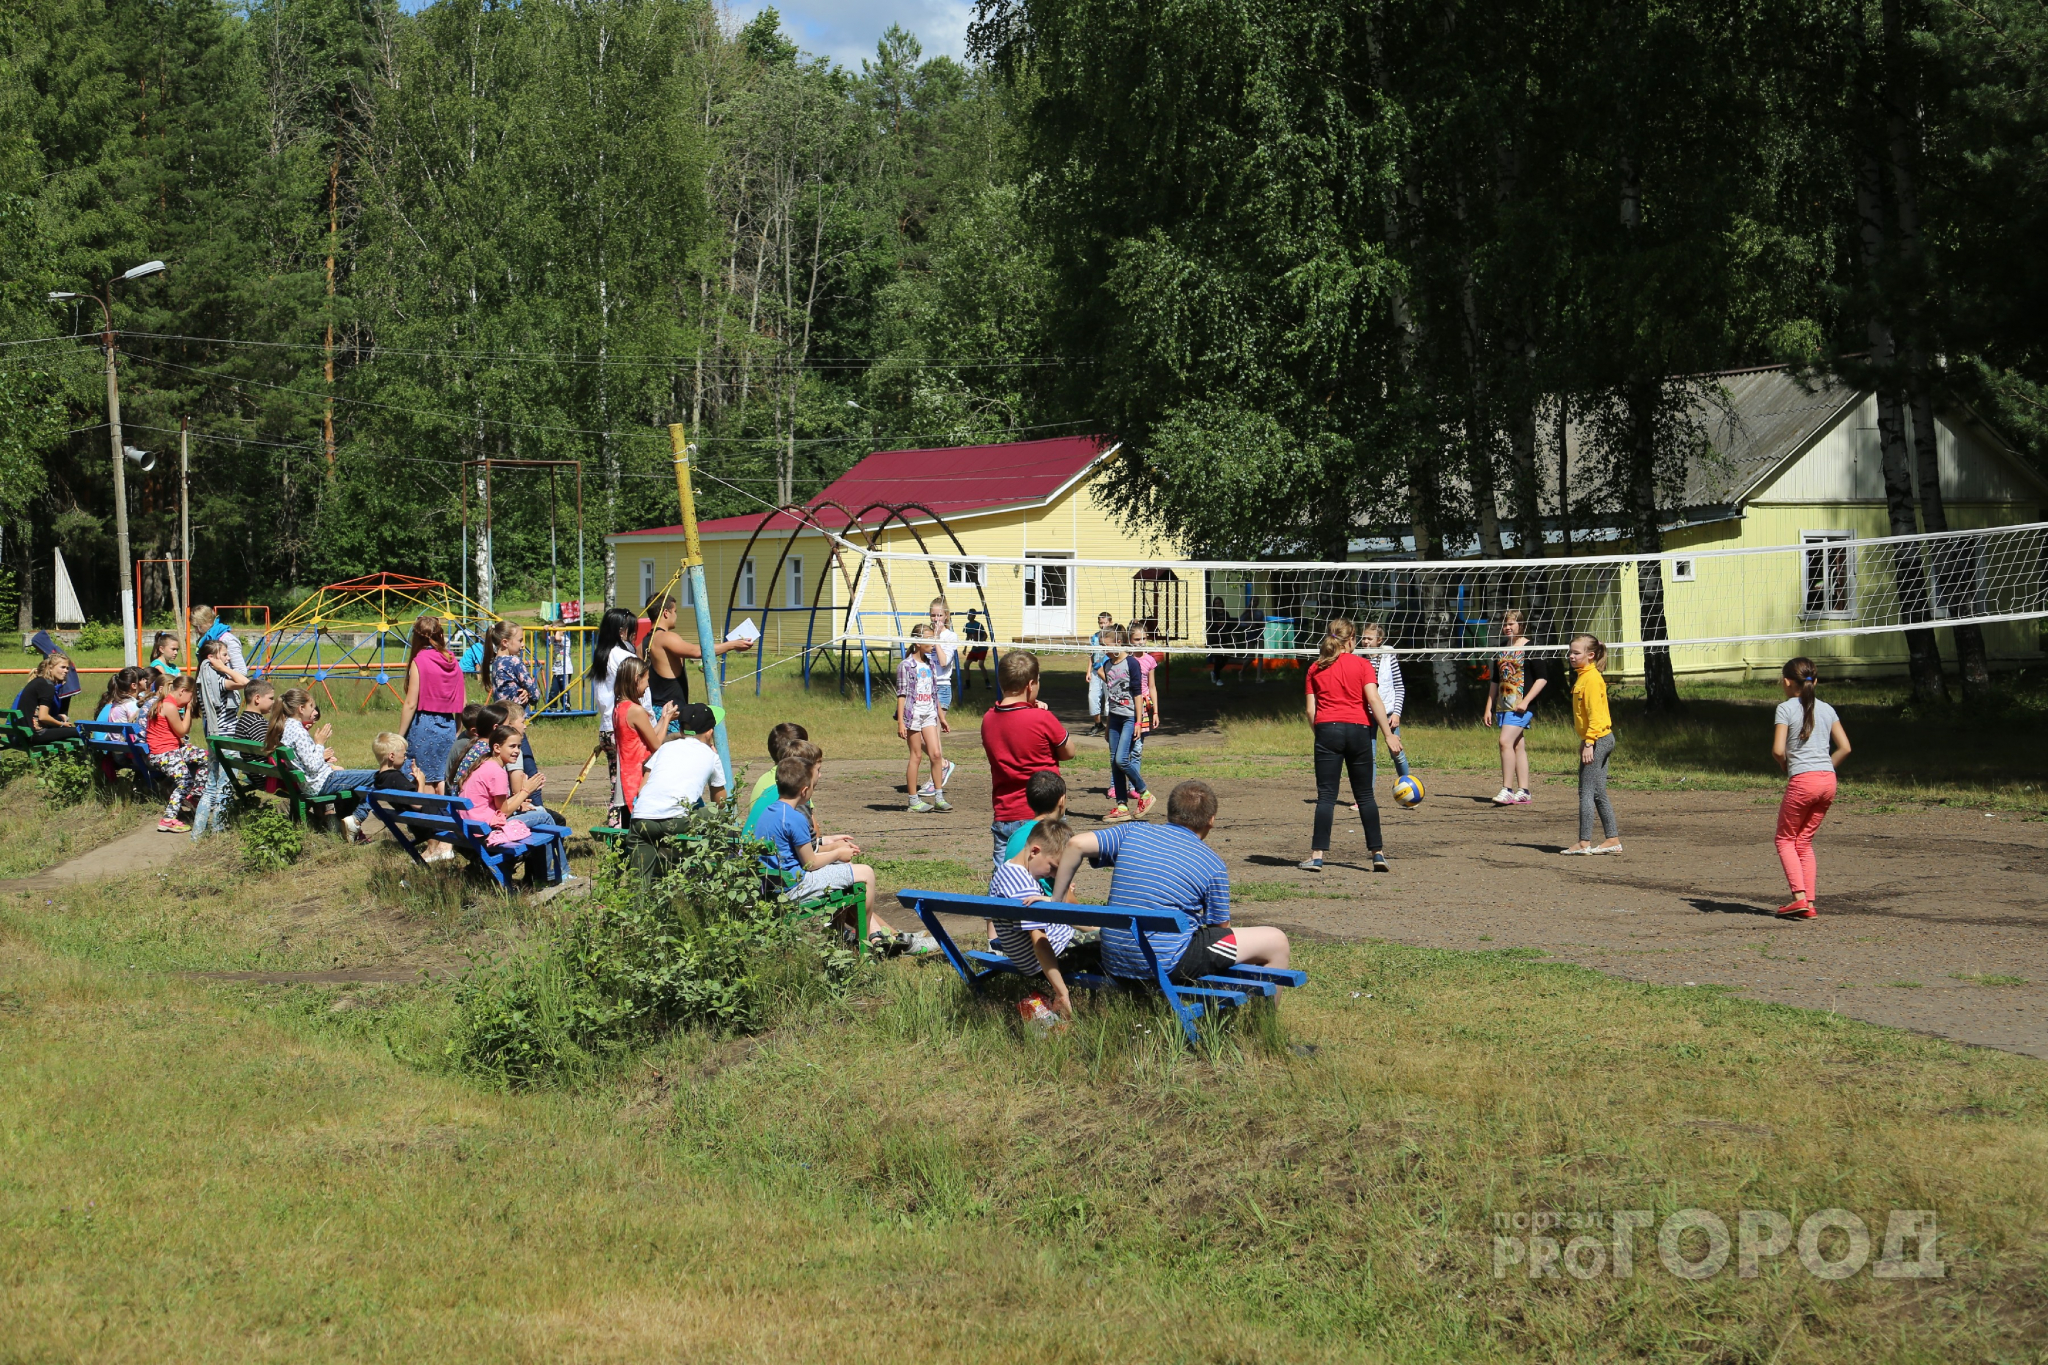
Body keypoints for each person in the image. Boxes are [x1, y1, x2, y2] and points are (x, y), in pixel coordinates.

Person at [1049, 779, 1289, 986]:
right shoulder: (1212, 864)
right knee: (1276, 941)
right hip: (1163, 965)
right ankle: (1267, 1018)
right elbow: (1220, 929)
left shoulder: (1132, 832)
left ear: (1170, 812)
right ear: (1211, 820)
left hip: (1115, 959)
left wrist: (1055, 903)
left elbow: (1076, 844)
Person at [752, 754, 895, 948]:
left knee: (844, 867)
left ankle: (842, 935)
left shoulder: (768, 812)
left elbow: (797, 856)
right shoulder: (795, 818)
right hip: (795, 887)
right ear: (804, 791)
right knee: (866, 873)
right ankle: (864, 937)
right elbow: (810, 863)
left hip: (775, 884)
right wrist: (837, 853)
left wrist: (835, 854)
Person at [1298, 618, 1402, 873]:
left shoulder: (1315, 667)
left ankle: (1317, 856)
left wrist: (1322, 734)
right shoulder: (1363, 664)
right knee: (1365, 795)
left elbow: (1310, 711)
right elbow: (1374, 700)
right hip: (1359, 731)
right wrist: (1388, 735)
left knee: (1326, 796)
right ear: (1352, 639)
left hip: (1327, 730)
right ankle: (1378, 854)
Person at [988, 817, 1099, 1019]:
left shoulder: (1007, 871)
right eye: (1053, 867)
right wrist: (1062, 992)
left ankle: (1098, 1001)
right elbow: (1040, 943)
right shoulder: (1023, 886)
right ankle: (1112, 1002)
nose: (1055, 875)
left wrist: (1050, 899)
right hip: (1047, 958)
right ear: (1035, 851)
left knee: (1101, 935)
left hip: (1041, 954)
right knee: (1110, 941)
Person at [1771, 656, 1850, 919]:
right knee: (1803, 841)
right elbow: (1845, 748)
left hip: (1803, 782)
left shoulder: (1785, 708)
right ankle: (1810, 903)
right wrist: (1825, 767)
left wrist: (1784, 764)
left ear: (1786, 682)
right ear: (1814, 681)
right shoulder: (1827, 709)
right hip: (1828, 781)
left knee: (1785, 839)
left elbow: (1778, 750)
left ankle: (1799, 898)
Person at [981, 650, 1075, 867]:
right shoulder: (1042, 718)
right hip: (1044, 813)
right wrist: (1040, 713)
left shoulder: (988, 719)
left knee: (1005, 878)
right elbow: (1069, 752)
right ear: (1031, 685)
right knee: (1052, 877)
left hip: (1005, 812)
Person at [266, 686, 376, 839]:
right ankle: (356, 819)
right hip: (321, 783)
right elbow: (312, 766)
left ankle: (349, 826)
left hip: (312, 783)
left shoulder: (288, 727)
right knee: (379, 776)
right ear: (301, 708)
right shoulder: (299, 732)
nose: (314, 711)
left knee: (362, 780)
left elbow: (305, 761)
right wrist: (319, 743)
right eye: (311, 706)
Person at [642, 589, 754, 728]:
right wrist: (733, 644)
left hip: (653, 711)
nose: (676, 615)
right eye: (675, 611)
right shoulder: (666, 638)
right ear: (666, 613)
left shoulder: (642, 643)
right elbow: (698, 651)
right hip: (671, 712)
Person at [460, 723, 556, 884]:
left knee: (538, 811)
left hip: (472, 826)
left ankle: (543, 874)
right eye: (512, 746)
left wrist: (520, 797)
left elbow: (500, 806)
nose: (517, 751)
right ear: (497, 747)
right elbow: (504, 811)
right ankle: (550, 875)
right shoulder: (497, 772)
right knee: (544, 816)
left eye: (519, 746)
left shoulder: (486, 764)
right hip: (486, 830)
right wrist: (526, 790)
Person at [1561, 634, 1623, 856]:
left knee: (1585, 791)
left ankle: (1583, 842)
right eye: (1570, 652)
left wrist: (1589, 742)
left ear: (1590, 655)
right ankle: (1612, 840)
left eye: (1576, 653)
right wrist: (1585, 740)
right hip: (1599, 738)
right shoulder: (1583, 677)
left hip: (1598, 740)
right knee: (1597, 792)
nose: (1571, 656)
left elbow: (1595, 716)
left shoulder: (1591, 679)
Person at [397, 616, 467, 793]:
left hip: (424, 725)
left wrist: (399, 737)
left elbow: (411, 703)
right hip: (448, 725)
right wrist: (457, 730)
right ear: (440, 635)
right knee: (443, 777)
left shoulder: (419, 661)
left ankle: (427, 811)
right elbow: (462, 702)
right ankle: (444, 810)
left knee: (424, 778)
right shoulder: (452, 660)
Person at [588, 605, 643, 826]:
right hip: (624, 728)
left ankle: (616, 825)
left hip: (606, 727)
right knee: (629, 784)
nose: (633, 637)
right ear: (622, 632)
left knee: (616, 783)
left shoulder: (601, 656)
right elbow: (641, 692)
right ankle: (621, 828)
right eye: (632, 632)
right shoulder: (624, 657)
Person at [1485, 608, 1546, 805]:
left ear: (1521, 625)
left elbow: (1542, 678)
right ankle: (1524, 791)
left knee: (1504, 742)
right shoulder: (1501, 649)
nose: (1507, 627)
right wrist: (1489, 707)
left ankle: (1507, 789)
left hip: (1521, 706)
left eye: (1511, 623)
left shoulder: (1531, 647)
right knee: (1517, 745)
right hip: (1504, 705)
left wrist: (1526, 701)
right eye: (1505, 624)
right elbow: (1496, 680)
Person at [190, 636, 249, 839]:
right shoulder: (218, 680)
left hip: (214, 738)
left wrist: (221, 665)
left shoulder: (202, 681)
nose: (228, 658)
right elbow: (245, 682)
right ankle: (217, 832)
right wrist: (223, 668)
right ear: (211, 658)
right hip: (228, 740)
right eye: (224, 655)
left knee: (210, 787)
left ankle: (197, 834)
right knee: (224, 786)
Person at [1349, 622, 1406, 812]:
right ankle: (1365, 798)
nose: (1365, 642)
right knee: (1368, 757)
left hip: (1388, 713)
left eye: (1369, 638)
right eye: (1363, 638)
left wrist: (1396, 713)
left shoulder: (1389, 658)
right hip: (1365, 715)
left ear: (1379, 640)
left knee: (1397, 754)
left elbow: (1399, 687)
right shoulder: (1358, 659)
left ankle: (1409, 788)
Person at [610, 657, 676, 815]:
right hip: (637, 776)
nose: (648, 686)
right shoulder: (636, 710)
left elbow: (648, 735)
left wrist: (662, 718)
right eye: (646, 680)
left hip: (626, 775)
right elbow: (656, 745)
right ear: (636, 679)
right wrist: (667, 719)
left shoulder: (620, 707)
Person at [144, 674, 209, 833]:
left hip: (172, 750)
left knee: (207, 757)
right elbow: (182, 731)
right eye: (191, 696)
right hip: (163, 753)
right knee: (185, 781)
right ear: (182, 691)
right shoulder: (169, 706)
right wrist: (188, 709)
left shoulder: (167, 703)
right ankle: (168, 819)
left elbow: (181, 732)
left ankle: (194, 796)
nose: (191, 700)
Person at [897, 623, 951, 812]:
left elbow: (934, 693)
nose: (933, 643)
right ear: (918, 642)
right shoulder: (906, 666)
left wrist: (941, 717)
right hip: (913, 715)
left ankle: (939, 797)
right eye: (929, 639)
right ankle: (913, 800)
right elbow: (901, 695)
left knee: (936, 754)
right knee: (917, 755)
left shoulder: (931, 664)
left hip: (929, 714)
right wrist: (901, 722)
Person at [1099, 627, 1151, 822]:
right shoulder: (1107, 665)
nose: (1104, 650)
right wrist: (1107, 725)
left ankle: (1144, 793)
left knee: (1122, 759)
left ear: (1119, 643)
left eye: (1106, 646)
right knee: (1114, 762)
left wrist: (1138, 721)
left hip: (1130, 718)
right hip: (1115, 719)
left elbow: (1138, 694)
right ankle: (1121, 806)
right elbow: (1112, 697)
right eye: (1102, 647)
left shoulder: (1131, 663)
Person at [483, 620, 542, 777]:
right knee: (526, 767)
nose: (523, 645)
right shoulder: (513, 661)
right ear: (505, 642)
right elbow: (536, 695)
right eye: (520, 640)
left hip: (501, 721)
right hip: (515, 721)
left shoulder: (495, 663)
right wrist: (530, 693)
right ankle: (534, 792)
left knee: (507, 766)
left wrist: (525, 692)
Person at [999, 770, 1069, 893]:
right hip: (1038, 899)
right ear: (1062, 800)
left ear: (1028, 801)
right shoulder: (1056, 839)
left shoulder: (1016, 834)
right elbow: (1062, 893)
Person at [17, 652, 78, 745]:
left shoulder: (38, 681)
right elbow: (43, 717)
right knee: (81, 731)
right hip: (35, 735)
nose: (66, 671)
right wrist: (62, 724)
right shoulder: (47, 686)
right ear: (50, 668)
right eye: (62, 667)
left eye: (67, 668)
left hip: (23, 734)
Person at [190, 606, 247, 676]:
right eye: (194, 627)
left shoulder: (227, 639)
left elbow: (241, 671)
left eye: (199, 626)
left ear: (208, 621)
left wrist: (222, 680)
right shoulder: (203, 640)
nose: (196, 630)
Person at [929, 597, 960, 716]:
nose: (936, 619)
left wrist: (936, 639)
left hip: (941, 686)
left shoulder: (951, 636)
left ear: (946, 615)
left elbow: (943, 662)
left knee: (936, 725)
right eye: (933, 615)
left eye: (939, 615)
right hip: (924, 684)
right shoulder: (926, 634)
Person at [1085, 611, 1115, 733]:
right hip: (1096, 671)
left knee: (1109, 698)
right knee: (1092, 697)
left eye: (1105, 623)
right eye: (1100, 623)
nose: (1102, 625)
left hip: (1109, 670)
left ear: (1110, 622)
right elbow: (1092, 654)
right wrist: (1088, 671)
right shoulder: (1095, 637)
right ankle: (1098, 724)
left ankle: (1110, 726)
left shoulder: (1113, 637)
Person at [959, 610, 992, 692]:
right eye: (968, 615)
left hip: (982, 648)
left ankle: (987, 683)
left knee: (981, 664)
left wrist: (980, 643)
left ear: (974, 616)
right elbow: (968, 637)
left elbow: (985, 635)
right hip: (974, 649)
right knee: (966, 664)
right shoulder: (967, 625)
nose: (968, 616)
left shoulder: (978, 625)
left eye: (970, 615)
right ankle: (967, 683)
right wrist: (965, 648)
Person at [1206, 596, 1232, 687]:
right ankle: (1218, 679)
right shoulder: (1212, 614)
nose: (1218, 604)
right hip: (1215, 639)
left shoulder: (1226, 614)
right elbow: (1208, 628)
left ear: (1222, 603)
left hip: (1224, 639)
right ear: (1214, 605)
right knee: (1218, 658)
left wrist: (1233, 636)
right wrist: (1208, 640)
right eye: (1216, 603)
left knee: (1225, 659)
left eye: (1219, 603)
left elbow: (1229, 627)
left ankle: (1214, 672)